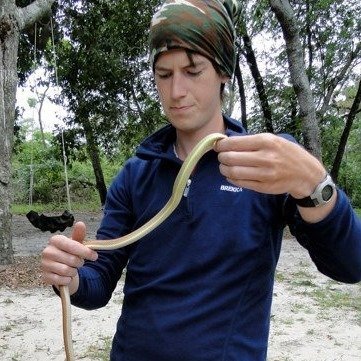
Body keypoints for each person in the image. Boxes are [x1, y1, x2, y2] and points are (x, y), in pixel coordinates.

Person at [41, 1, 361, 360]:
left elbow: (351, 265)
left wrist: (313, 181)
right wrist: (70, 278)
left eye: (193, 71)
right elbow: (98, 284)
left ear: (224, 72)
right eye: (164, 74)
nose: (176, 91)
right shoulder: (136, 173)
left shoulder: (266, 163)